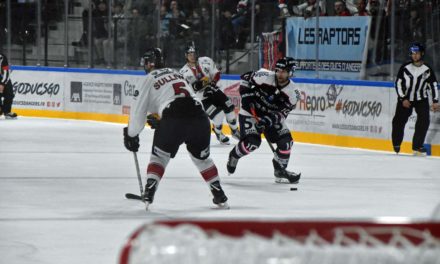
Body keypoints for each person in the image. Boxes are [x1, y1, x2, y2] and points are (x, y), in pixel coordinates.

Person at [123, 48, 229, 209]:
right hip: (199, 117)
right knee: (202, 159)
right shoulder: (177, 74)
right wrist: (162, 116)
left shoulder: (148, 79)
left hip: (173, 117)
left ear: (149, 64)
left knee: (159, 157)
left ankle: (149, 191)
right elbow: (184, 98)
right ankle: (219, 194)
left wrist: (131, 134)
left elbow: (138, 113)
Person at [226, 57, 301, 184]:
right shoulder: (264, 76)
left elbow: (281, 114)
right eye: (278, 70)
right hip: (250, 112)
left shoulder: (293, 93)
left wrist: (266, 121)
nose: (280, 74)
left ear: (290, 72)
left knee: (286, 142)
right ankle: (234, 155)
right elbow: (245, 78)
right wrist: (246, 97)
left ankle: (279, 171)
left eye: (283, 71)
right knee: (252, 143)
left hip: (270, 117)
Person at [179, 44, 240, 145]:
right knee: (219, 116)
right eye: (189, 54)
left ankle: (234, 131)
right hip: (202, 98)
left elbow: (216, 74)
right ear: (186, 55)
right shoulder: (183, 72)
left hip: (214, 90)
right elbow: (190, 89)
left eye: (193, 53)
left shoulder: (206, 60)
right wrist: (202, 83)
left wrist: (212, 83)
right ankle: (219, 133)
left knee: (230, 108)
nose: (192, 56)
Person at [392, 42, 439, 156]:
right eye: (413, 53)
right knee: (398, 121)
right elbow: (398, 83)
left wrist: (435, 101)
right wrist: (403, 99)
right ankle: (397, 143)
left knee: (424, 121)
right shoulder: (405, 67)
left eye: (417, 53)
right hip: (405, 99)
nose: (415, 55)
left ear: (422, 54)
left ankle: (417, 146)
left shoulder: (427, 69)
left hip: (421, 99)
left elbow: (433, 85)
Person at [0, 52, 18, 119]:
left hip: (3, 77)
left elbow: (6, 72)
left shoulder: (2, 57)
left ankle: (7, 112)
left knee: (9, 94)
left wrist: (2, 84)